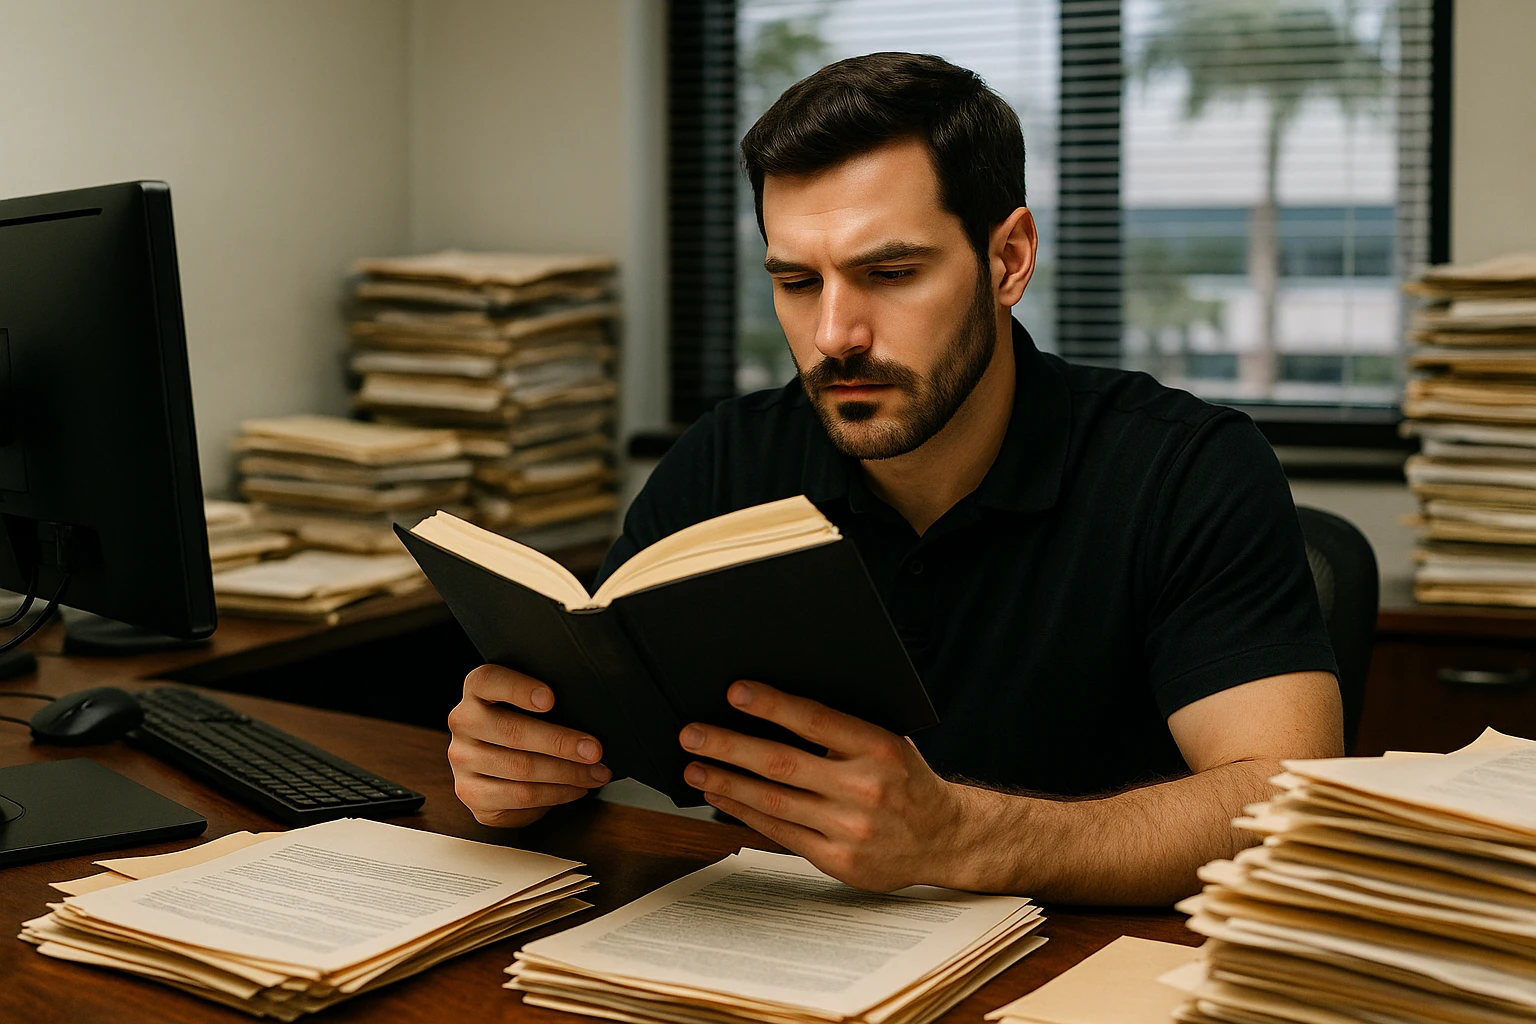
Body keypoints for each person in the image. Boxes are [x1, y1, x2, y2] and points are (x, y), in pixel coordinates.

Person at [446, 52, 1343, 905]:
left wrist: (963, 836)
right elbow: (599, 716)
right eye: (798, 282)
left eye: (890, 273)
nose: (836, 334)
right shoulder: (729, 456)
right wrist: (518, 761)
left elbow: (1283, 804)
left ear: (1009, 260)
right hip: (770, 952)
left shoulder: (1186, 469)